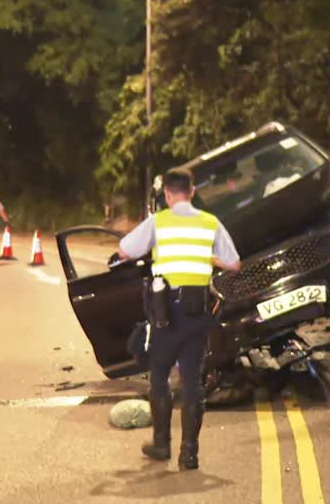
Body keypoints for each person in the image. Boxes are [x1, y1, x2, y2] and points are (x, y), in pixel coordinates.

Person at [118, 169, 241, 471]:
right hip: (198, 311)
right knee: (192, 379)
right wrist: (209, 259)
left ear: (167, 195)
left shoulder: (158, 221)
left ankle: (162, 445)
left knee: (159, 375)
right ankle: (190, 454)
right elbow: (235, 264)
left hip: (166, 312)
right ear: (193, 191)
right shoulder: (210, 223)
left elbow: (125, 250)